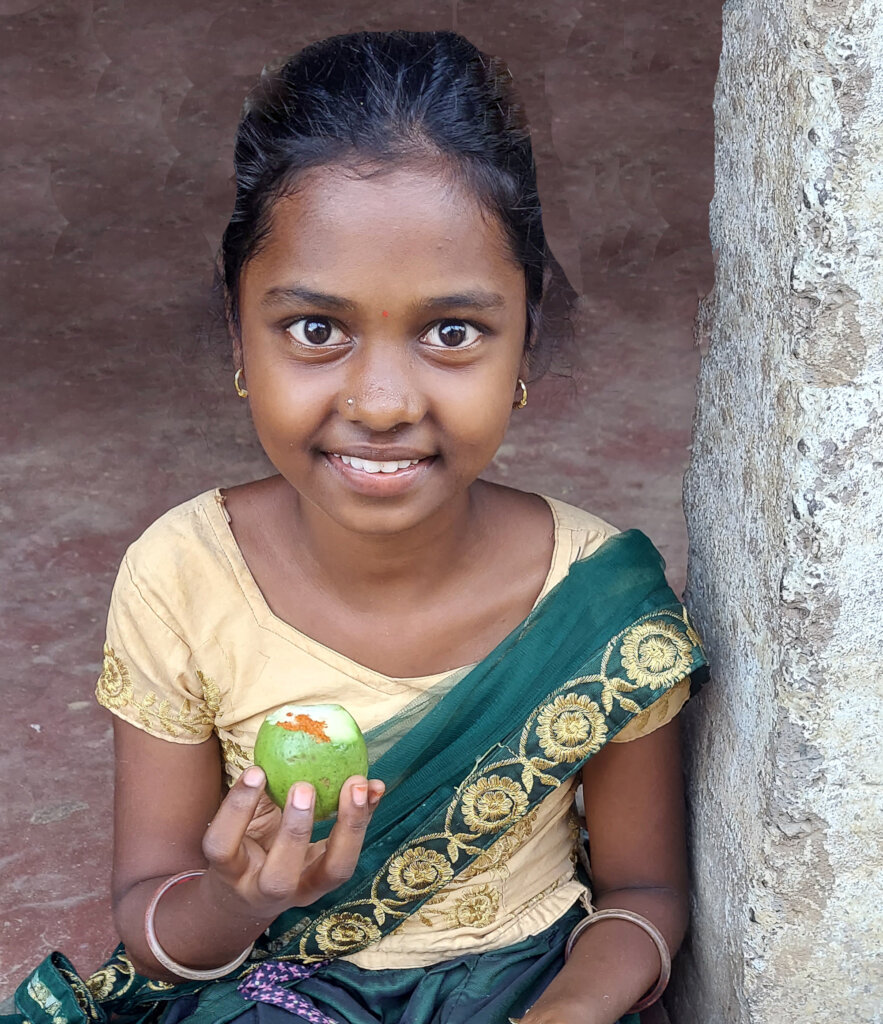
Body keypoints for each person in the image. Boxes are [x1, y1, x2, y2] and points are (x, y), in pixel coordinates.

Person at [3, 29, 708, 1024]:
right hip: (274, 993)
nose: (381, 401)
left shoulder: (593, 598)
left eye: (450, 332)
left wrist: (565, 1014)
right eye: (315, 330)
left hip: (530, 991)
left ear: (525, 341)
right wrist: (234, 899)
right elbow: (155, 926)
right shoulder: (184, 576)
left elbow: (644, 893)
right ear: (237, 335)